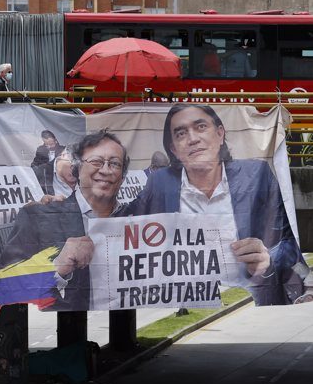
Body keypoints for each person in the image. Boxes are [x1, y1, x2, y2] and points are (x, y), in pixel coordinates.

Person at [128, 104, 309, 305]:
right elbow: (123, 227)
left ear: (220, 134)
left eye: (201, 127)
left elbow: (287, 243)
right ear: (174, 150)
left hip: (249, 303)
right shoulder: (159, 182)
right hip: (185, 303)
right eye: (180, 134)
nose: (193, 139)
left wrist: (268, 259)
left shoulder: (256, 175)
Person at [0, 131, 130, 310]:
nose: (105, 170)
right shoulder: (37, 217)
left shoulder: (137, 219)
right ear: (77, 169)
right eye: (96, 161)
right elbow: (6, 286)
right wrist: (57, 268)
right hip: (62, 331)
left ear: (122, 177)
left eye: (115, 164)